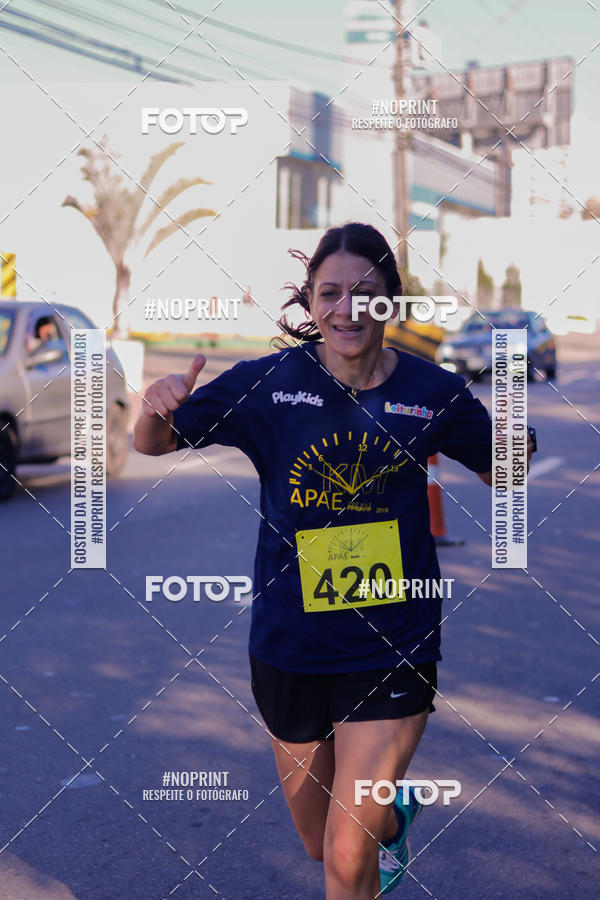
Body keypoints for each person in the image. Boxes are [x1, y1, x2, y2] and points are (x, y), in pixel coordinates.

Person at [133, 223, 533, 898]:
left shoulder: (430, 392)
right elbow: (153, 443)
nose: (348, 308)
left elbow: (507, 471)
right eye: (331, 292)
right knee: (324, 844)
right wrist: (154, 406)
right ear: (311, 302)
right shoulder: (267, 385)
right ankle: (388, 818)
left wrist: (518, 434)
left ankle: (371, 825)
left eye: (366, 293)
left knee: (348, 858)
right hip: (290, 647)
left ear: (392, 303)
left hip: (393, 646)